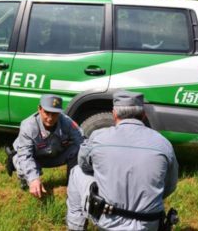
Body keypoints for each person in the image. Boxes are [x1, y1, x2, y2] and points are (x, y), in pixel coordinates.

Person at [66, 90, 178, 231]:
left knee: (76, 172)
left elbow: (83, 164)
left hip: (109, 221)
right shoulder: (163, 143)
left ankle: (75, 227)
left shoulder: (98, 137)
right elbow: (170, 185)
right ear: (143, 115)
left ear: (114, 114)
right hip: (150, 224)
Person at [6, 94, 84, 198]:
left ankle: (73, 182)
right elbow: (25, 156)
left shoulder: (66, 122)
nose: (50, 118)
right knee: (19, 159)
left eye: (55, 114)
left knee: (78, 149)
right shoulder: (28, 126)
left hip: (56, 155)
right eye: (47, 113)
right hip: (35, 158)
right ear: (39, 109)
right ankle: (26, 182)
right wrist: (34, 179)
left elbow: (82, 142)